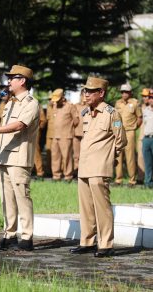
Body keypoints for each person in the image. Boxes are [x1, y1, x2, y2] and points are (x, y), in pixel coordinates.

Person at [0, 65, 39, 251]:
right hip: (3, 156)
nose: (8, 81)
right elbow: (5, 131)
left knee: (22, 197)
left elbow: (19, 125)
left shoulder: (31, 103)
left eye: (12, 78)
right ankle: (9, 235)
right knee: (6, 198)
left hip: (19, 158)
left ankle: (27, 238)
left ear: (22, 81)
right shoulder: (10, 103)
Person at [70, 76, 127, 258]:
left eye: (90, 91)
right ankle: (87, 242)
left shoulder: (112, 114)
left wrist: (110, 157)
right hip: (85, 166)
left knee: (102, 207)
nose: (85, 94)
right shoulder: (86, 113)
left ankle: (105, 244)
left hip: (100, 166)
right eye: (85, 90)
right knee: (85, 207)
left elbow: (121, 140)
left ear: (101, 93)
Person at [114, 83, 142, 187]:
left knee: (130, 157)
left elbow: (139, 117)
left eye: (126, 92)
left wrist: (134, 127)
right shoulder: (118, 103)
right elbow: (116, 117)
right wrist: (116, 129)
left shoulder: (135, 103)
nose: (124, 94)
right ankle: (118, 179)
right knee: (118, 156)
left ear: (130, 93)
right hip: (119, 132)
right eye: (122, 92)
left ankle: (132, 180)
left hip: (130, 132)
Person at [50, 88, 79, 182]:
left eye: (57, 100)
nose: (56, 102)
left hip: (66, 136)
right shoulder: (55, 105)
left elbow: (76, 120)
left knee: (67, 157)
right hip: (55, 135)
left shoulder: (70, 106)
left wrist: (69, 128)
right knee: (55, 156)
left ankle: (68, 176)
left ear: (63, 98)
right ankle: (56, 176)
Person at [73, 91, 87, 176]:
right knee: (76, 154)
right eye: (83, 95)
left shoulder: (90, 106)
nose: (84, 97)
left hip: (86, 133)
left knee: (85, 154)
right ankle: (76, 170)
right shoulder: (76, 106)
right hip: (76, 133)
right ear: (81, 95)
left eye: (86, 95)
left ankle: (85, 171)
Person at [137, 88, 150, 184]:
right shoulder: (140, 107)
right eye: (144, 96)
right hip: (141, 136)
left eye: (147, 96)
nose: (145, 98)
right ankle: (141, 178)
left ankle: (149, 178)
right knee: (140, 157)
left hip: (150, 136)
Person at [142, 89, 153, 188]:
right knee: (147, 162)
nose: (151, 100)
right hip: (146, 139)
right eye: (149, 98)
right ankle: (148, 183)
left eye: (152, 98)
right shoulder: (145, 110)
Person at [34, 105, 47, 179]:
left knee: (35, 151)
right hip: (22, 132)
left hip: (34, 132)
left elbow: (43, 120)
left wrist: (38, 128)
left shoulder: (37, 105)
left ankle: (39, 172)